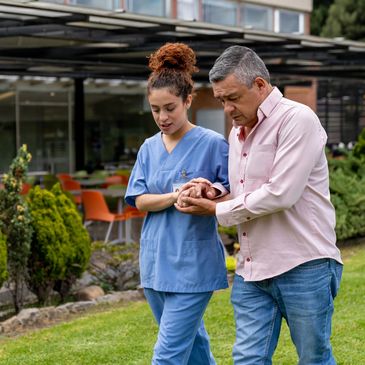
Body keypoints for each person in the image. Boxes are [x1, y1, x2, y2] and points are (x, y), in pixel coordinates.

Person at [175, 45, 343, 364]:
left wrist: (215, 210)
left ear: (261, 86)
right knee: (247, 359)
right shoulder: (239, 132)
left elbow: (281, 192)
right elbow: (244, 190)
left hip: (304, 264)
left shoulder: (297, 120)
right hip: (252, 270)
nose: (226, 108)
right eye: (222, 99)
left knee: (313, 358)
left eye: (233, 98)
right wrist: (213, 191)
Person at [124, 42, 230, 365]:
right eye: (155, 109)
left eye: (170, 107)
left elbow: (232, 195)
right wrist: (174, 196)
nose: (162, 117)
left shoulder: (213, 145)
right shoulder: (147, 148)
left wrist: (209, 192)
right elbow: (140, 200)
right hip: (156, 264)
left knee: (167, 356)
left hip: (193, 265)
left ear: (187, 100)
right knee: (195, 349)